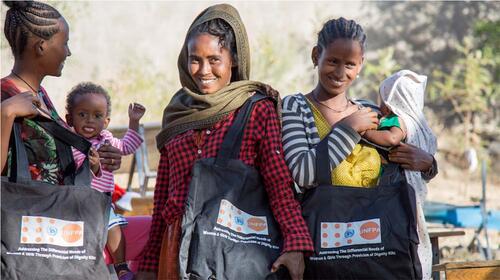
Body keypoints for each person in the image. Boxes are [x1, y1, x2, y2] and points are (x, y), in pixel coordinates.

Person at [136, 4, 313, 280]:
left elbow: (278, 184)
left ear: (233, 59)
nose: (203, 70)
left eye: (214, 59)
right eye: (195, 59)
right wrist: (148, 265)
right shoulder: (178, 113)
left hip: (233, 252)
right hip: (175, 250)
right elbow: (163, 200)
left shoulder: (256, 109)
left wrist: (296, 243)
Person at [282, 18, 438, 279]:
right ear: (316, 55)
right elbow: (302, 172)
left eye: (350, 64)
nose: (340, 72)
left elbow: (408, 160)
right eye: (333, 61)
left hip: (379, 253)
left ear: (361, 65)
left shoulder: (372, 112)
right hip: (326, 255)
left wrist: (428, 164)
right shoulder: (295, 107)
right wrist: (348, 128)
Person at [1, 0, 123, 181]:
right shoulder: (5, 96)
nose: (68, 52)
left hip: (53, 206)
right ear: (41, 47)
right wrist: (6, 112)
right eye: (64, 43)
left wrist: (99, 161)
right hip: (26, 208)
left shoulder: (39, 94)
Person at [66, 82, 146, 280]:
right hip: (77, 201)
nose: (89, 121)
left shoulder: (107, 139)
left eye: (97, 116)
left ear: (106, 121)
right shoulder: (69, 143)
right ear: (69, 118)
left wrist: (134, 122)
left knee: (113, 226)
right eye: (82, 114)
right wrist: (93, 166)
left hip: (102, 201)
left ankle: (121, 267)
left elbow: (127, 147)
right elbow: (72, 168)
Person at [364, 69, 437, 280]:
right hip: (416, 191)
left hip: (399, 189)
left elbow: (392, 139)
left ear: (395, 100)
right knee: (417, 232)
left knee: (403, 233)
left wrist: (363, 131)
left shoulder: (398, 120)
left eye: (383, 99)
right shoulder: (423, 127)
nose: (380, 105)